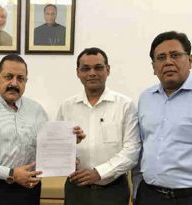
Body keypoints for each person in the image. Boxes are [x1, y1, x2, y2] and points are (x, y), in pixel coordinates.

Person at [0, 54, 85, 205]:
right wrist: (11, 174)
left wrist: (68, 146)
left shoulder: (36, 110)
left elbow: (46, 147)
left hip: (28, 191)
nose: (14, 83)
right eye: (8, 76)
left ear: (26, 81)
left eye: (20, 78)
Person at [57, 47, 141, 205]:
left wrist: (99, 173)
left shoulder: (125, 105)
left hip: (112, 191)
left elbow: (132, 151)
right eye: (86, 69)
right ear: (78, 73)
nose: (92, 73)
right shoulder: (67, 106)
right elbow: (58, 146)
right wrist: (66, 156)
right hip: (76, 190)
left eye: (98, 67)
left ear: (108, 70)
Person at [133, 31, 192, 205]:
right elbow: (142, 146)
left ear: (189, 60)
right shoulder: (145, 98)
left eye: (175, 55)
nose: (168, 62)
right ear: (153, 67)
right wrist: (137, 189)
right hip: (149, 195)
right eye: (161, 57)